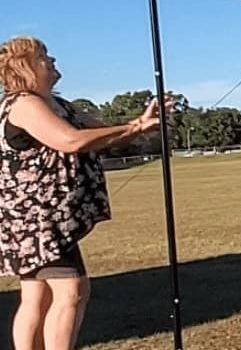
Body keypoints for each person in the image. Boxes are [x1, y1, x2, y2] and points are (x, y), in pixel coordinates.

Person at [0, 37, 169, 350]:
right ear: (24, 66)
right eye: (42, 56)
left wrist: (139, 124)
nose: (51, 60)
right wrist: (133, 129)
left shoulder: (61, 105)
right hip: (35, 221)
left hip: (49, 219)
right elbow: (71, 141)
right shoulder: (24, 104)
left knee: (38, 295)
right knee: (72, 290)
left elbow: (101, 136)